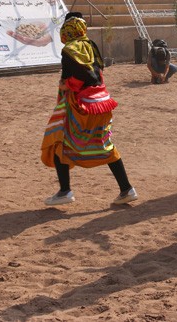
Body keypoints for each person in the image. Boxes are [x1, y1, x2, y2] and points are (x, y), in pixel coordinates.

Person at [41, 13, 137, 206]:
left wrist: (66, 85)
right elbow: (97, 73)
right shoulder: (91, 45)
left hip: (81, 106)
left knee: (59, 139)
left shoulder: (69, 50)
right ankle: (126, 188)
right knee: (104, 145)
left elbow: (82, 78)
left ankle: (65, 191)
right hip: (102, 102)